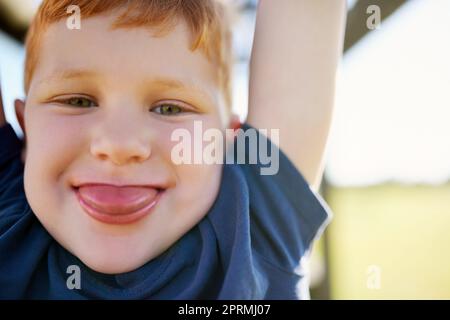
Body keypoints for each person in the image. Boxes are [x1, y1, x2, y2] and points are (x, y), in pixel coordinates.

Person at [0, 0, 346, 299]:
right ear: (25, 127)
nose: (120, 146)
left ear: (227, 143)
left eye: (169, 109)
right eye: (77, 101)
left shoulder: (255, 225)